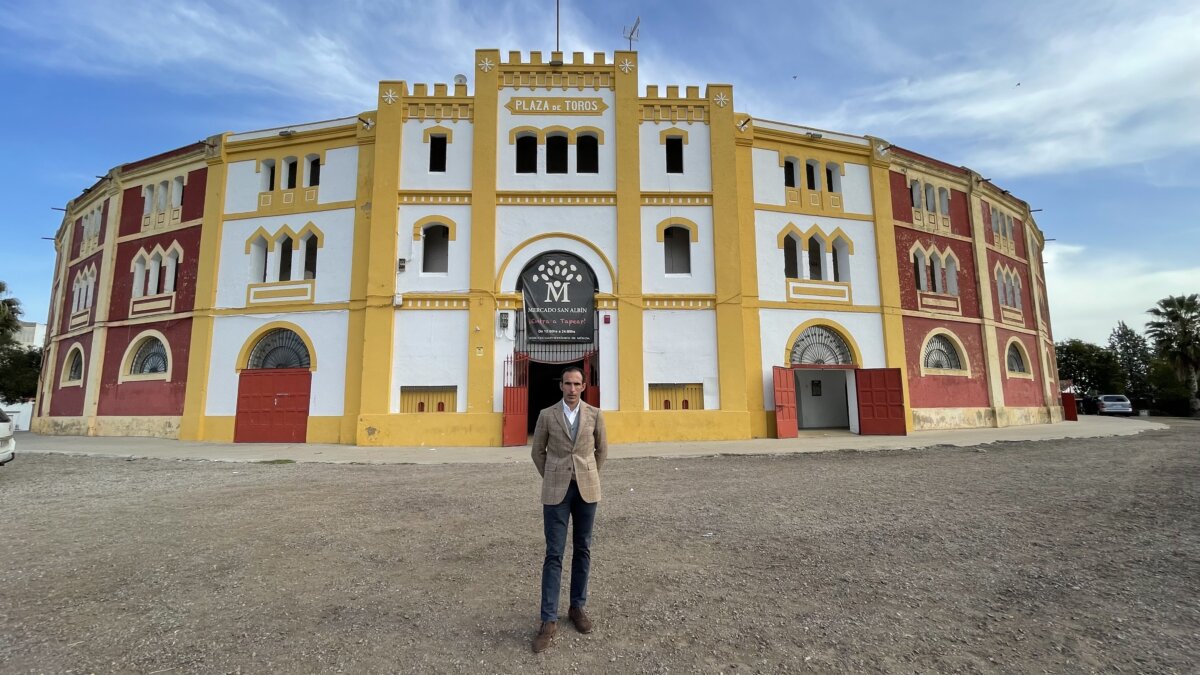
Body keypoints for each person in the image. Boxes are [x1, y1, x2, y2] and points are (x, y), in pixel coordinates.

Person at [529, 365, 607, 653]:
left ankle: (577, 608)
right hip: (556, 492)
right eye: (567, 384)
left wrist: (589, 474)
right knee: (554, 553)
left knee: (583, 548)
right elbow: (538, 451)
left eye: (577, 384)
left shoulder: (595, 415)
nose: (572, 389)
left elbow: (602, 451)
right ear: (560, 386)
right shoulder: (547, 415)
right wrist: (553, 475)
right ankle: (548, 619)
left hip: (587, 490)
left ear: (584, 386)